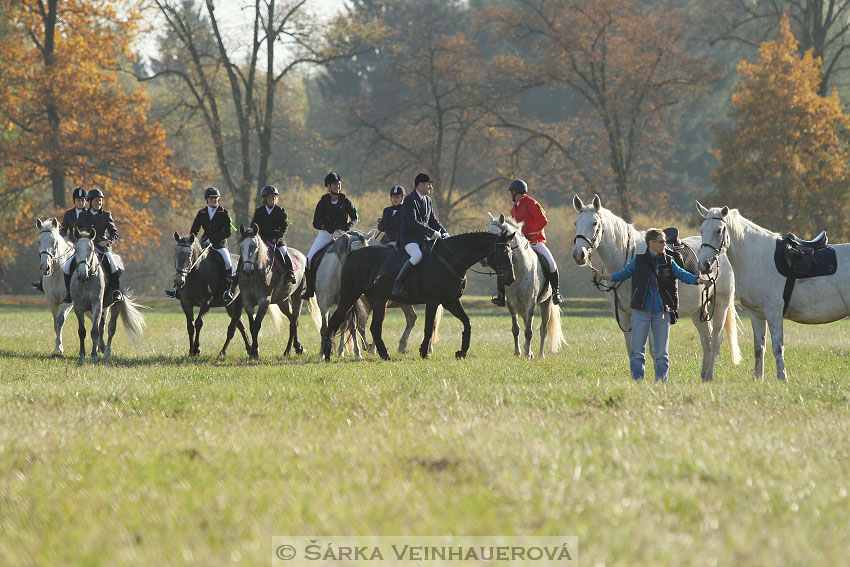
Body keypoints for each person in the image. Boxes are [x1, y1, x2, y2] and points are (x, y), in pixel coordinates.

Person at [591, 228, 714, 382]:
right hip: (640, 313)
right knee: (637, 353)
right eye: (662, 241)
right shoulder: (638, 261)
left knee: (661, 354)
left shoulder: (669, 261)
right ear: (652, 243)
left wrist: (701, 281)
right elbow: (622, 275)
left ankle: (661, 382)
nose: (665, 244)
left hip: (662, 313)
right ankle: (638, 381)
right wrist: (602, 276)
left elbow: (683, 274)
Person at [492, 179, 562, 306]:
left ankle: (556, 292)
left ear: (515, 192)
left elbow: (543, 220)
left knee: (551, 263)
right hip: (519, 244)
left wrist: (531, 234)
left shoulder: (532, 203)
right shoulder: (514, 209)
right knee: (503, 263)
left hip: (535, 241)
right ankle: (500, 294)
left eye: (511, 192)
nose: (510, 194)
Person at [172, 186, 236, 303]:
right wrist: (193, 241)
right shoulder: (202, 213)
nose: (213, 200)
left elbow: (228, 232)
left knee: (227, 262)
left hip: (219, 245)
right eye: (211, 198)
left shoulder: (224, 212)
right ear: (207, 199)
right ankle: (176, 288)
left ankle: (228, 290)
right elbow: (194, 231)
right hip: (203, 243)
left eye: (215, 198)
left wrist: (212, 239)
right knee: (186, 258)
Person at [301, 172, 359, 299]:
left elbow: (355, 217)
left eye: (339, 184)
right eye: (334, 184)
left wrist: (349, 225)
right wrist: (326, 227)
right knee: (309, 259)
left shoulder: (346, 200)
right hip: (326, 235)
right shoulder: (323, 202)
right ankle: (310, 289)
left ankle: (360, 285)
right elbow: (316, 223)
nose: (337, 186)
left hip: (343, 234)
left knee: (357, 256)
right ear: (328, 186)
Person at [62, 188, 123, 303]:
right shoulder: (83, 216)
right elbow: (77, 232)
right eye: (96, 201)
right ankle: (69, 293)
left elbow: (114, 233)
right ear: (90, 202)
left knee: (114, 266)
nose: (99, 203)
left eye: (100, 201)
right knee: (66, 267)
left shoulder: (106, 215)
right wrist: (77, 242)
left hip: (102, 248)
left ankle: (116, 292)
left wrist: (107, 242)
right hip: (85, 248)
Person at [392, 173, 448, 296]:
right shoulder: (409, 200)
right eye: (428, 185)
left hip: (422, 238)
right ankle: (398, 284)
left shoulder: (428, 200)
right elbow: (412, 221)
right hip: (409, 238)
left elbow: (433, 220)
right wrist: (431, 232)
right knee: (417, 256)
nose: (431, 188)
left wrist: (444, 232)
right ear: (420, 185)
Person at [33, 186, 86, 293]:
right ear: (74, 201)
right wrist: (65, 238)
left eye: (82, 200)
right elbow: (63, 230)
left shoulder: (89, 214)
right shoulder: (68, 214)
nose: (80, 202)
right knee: (54, 259)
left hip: (85, 245)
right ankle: (44, 282)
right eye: (78, 200)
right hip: (70, 245)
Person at [250, 184, 296, 284]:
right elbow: (253, 226)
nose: (273, 199)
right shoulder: (259, 211)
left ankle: (290, 272)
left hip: (276, 239)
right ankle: (240, 274)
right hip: (262, 239)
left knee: (284, 252)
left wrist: (277, 237)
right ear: (265, 199)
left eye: (275, 197)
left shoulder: (280, 211)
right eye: (271, 197)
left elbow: (284, 227)